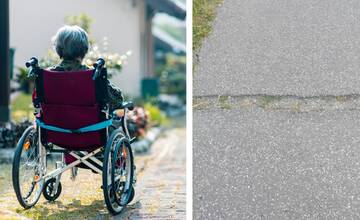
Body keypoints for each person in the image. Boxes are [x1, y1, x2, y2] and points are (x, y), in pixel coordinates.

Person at [50, 25, 123, 109]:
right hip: (90, 121)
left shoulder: (46, 75)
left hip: (55, 121)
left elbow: (38, 102)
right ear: (85, 48)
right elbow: (117, 101)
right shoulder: (94, 75)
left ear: (58, 48)